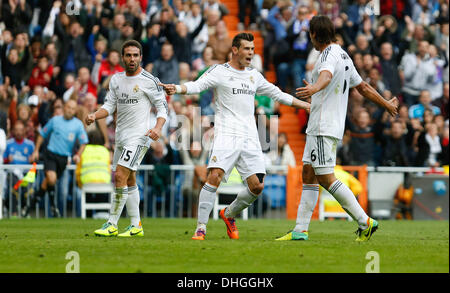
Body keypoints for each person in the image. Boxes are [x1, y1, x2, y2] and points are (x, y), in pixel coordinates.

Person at [159, 33, 310, 241]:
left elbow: (278, 94)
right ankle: (201, 228)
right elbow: (197, 85)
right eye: (246, 48)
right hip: (226, 134)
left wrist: (306, 105)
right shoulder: (220, 72)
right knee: (214, 177)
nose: (251, 52)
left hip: (249, 136)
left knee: (257, 186)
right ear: (235, 50)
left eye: (252, 49)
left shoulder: (254, 76)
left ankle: (228, 214)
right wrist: (177, 88)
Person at [276, 16, 398, 242]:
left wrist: (313, 88)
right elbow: (363, 87)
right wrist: (386, 103)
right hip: (321, 125)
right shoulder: (343, 54)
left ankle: (365, 221)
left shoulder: (327, 55)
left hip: (324, 125)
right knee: (309, 173)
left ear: (314, 34)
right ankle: (300, 231)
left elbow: (326, 75)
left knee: (326, 177)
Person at [86, 40, 168, 237]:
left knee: (120, 175)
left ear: (141, 57)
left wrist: (158, 127)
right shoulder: (116, 80)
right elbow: (109, 106)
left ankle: (111, 223)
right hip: (121, 137)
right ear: (122, 58)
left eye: (135, 55)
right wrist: (93, 115)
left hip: (140, 137)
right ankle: (135, 225)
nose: (132, 59)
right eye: (128, 55)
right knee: (130, 179)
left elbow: (163, 108)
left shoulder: (150, 80)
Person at [30, 99, 88, 218]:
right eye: (68, 107)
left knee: (58, 188)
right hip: (50, 154)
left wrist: (78, 155)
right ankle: (53, 208)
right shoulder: (55, 120)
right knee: (51, 179)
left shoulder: (78, 124)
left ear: (75, 111)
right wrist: (36, 150)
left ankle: (33, 203)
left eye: (73, 108)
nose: (70, 110)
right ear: (64, 107)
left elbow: (84, 142)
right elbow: (42, 134)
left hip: (64, 159)